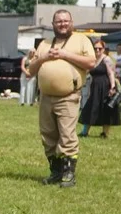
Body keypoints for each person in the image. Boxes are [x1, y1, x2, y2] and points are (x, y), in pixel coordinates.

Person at [25, 10, 97, 187]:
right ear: (53, 24)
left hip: (68, 96)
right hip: (46, 97)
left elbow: (91, 63)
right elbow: (30, 71)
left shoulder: (81, 40)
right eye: (59, 22)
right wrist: (43, 57)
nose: (63, 24)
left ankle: (68, 174)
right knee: (48, 136)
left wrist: (65, 55)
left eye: (66, 21)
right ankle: (55, 172)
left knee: (67, 135)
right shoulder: (45, 44)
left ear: (71, 22)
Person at [78, 40, 121, 138]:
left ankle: (104, 133)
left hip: (105, 87)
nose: (97, 50)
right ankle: (85, 132)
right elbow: (86, 72)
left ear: (104, 49)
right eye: (95, 48)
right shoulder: (93, 60)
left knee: (106, 109)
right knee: (89, 108)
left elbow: (111, 73)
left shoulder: (106, 59)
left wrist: (113, 87)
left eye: (100, 48)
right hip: (95, 88)